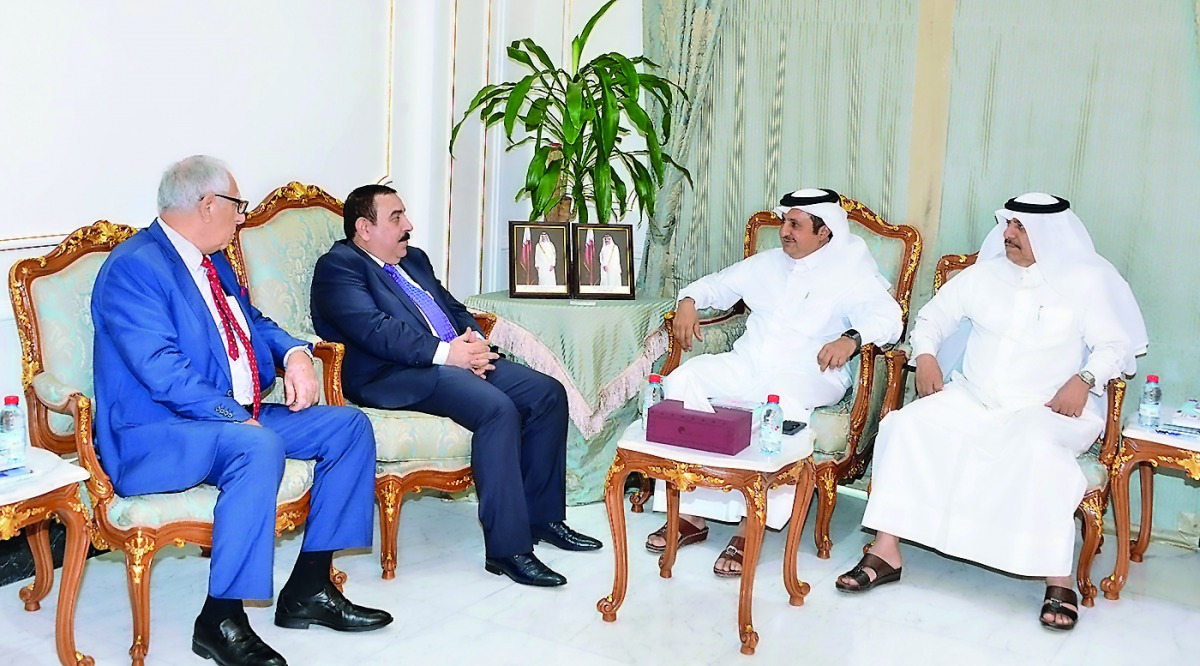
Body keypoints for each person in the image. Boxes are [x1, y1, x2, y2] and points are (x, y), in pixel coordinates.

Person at [91, 156, 391, 666]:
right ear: (207, 205)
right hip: (157, 433)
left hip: (227, 418)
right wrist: (236, 418)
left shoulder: (213, 262)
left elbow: (253, 322)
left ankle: (309, 590)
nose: (241, 217)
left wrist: (295, 352)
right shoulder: (134, 268)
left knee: (348, 427)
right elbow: (162, 372)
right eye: (237, 206)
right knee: (257, 444)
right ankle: (220, 619)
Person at [838, 193, 1147, 632]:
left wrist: (1086, 380)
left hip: (1047, 408)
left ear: (1049, 235)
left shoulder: (1087, 281)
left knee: (1036, 450)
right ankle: (886, 550)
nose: (1008, 234)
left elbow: (1115, 345)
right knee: (903, 426)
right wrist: (925, 355)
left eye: (1020, 228)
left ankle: (1057, 578)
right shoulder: (983, 276)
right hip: (975, 397)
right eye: (1008, 225)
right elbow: (931, 318)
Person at [309, 184, 602, 588]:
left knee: (547, 393)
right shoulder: (339, 267)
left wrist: (474, 344)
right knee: (497, 408)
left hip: (454, 359)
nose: (408, 225)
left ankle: (544, 518)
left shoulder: (414, 260)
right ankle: (508, 550)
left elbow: (453, 308)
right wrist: (450, 355)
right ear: (363, 227)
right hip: (392, 375)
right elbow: (376, 332)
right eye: (396, 218)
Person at [647, 188, 903, 576]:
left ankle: (754, 524)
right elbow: (713, 285)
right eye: (784, 221)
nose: (784, 231)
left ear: (825, 233)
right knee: (683, 381)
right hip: (749, 363)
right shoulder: (766, 264)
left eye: (795, 225)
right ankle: (691, 515)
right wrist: (687, 302)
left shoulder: (851, 273)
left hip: (812, 372)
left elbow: (889, 318)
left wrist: (851, 339)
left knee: (777, 403)